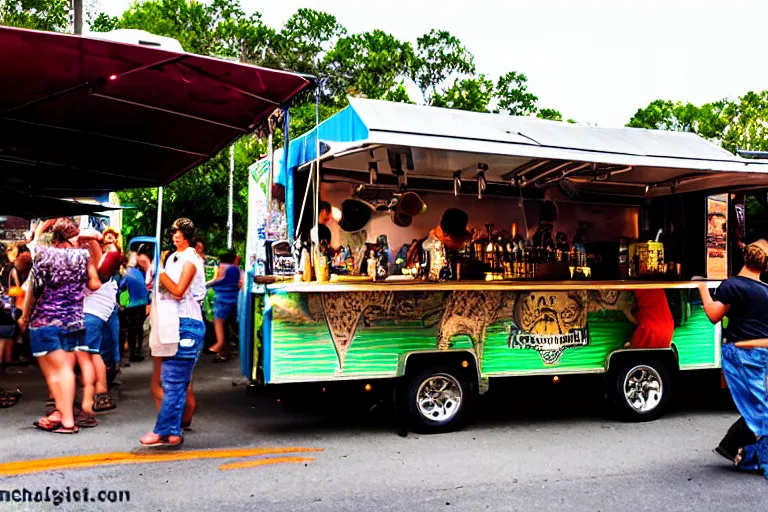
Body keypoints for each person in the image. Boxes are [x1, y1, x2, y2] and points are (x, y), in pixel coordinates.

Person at [19, 218, 99, 434]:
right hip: (74, 322)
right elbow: (95, 275)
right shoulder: (82, 257)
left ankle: (67, 420)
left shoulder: (45, 255)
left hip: (46, 320)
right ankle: (64, 416)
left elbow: (33, 291)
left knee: (55, 372)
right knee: (66, 369)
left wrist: (25, 317)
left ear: (54, 237)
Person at [698, 239, 768, 479]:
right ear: (765, 266)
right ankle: (745, 457)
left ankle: (763, 461)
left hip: (740, 355)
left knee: (759, 412)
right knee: (755, 405)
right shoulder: (766, 291)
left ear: (744, 258)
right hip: (761, 355)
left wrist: (702, 289)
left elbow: (714, 315)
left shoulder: (733, 286)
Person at [141, 218, 206, 447]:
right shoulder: (174, 258)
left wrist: (159, 272)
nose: (176, 236)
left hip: (187, 322)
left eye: (180, 233)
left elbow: (178, 290)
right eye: (174, 232)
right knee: (174, 380)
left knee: (174, 379)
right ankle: (173, 430)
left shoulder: (190, 258)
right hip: (175, 322)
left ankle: (164, 429)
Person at [406, 208, 472, 280]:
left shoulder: (431, 244)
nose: (461, 245)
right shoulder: (426, 249)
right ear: (447, 236)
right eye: (461, 240)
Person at [204, 253, 241, 361]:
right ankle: (223, 350)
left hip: (221, 300)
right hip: (233, 300)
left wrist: (206, 284)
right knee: (229, 325)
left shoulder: (223, 267)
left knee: (219, 323)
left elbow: (217, 280)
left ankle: (220, 347)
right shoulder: (236, 269)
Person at [119, 249, 151, 362]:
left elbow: (121, 286)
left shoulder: (126, 273)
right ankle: (137, 352)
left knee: (133, 328)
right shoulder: (138, 272)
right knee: (138, 328)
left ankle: (134, 352)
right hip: (141, 303)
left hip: (132, 304)